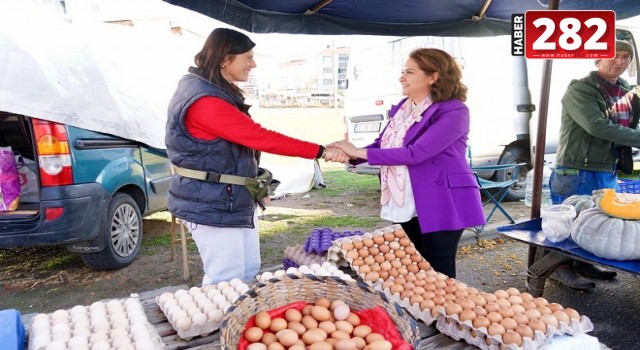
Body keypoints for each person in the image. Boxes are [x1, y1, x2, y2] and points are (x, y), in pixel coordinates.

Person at [165, 28, 348, 286]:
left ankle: (239, 321)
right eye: (247, 57)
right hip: (211, 200)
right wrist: (321, 151)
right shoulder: (204, 100)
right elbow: (258, 137)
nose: (254, 64)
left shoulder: (211, 89)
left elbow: (233, 149)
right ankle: (220, 325)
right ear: (224, 59)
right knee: (225, 279)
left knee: (248, 270)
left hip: (229, 197)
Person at [329, 48, 486, 278]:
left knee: (438, 269)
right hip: (407, 198)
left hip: (443, 199)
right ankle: (419, 314)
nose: (402, 77)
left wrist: (359, 152)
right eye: (403, 71)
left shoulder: (454, 110)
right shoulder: (405, 108)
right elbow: (383, 145)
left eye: (410, 72)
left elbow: (416, 153)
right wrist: (349, 152)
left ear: (434, 76)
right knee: (413, 264)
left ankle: (440, 313)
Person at [548, 40, 640, 290]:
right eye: (613, 55)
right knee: (568, 220)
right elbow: (597, 126)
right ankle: (559, 268)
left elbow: (629, 125)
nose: (619, 61)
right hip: (576, 168)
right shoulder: (581, 90)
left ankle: (583, 262)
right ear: (597, 59)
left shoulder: (626, 90)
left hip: (606, 167)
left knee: (597, 218)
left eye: (625, 56)